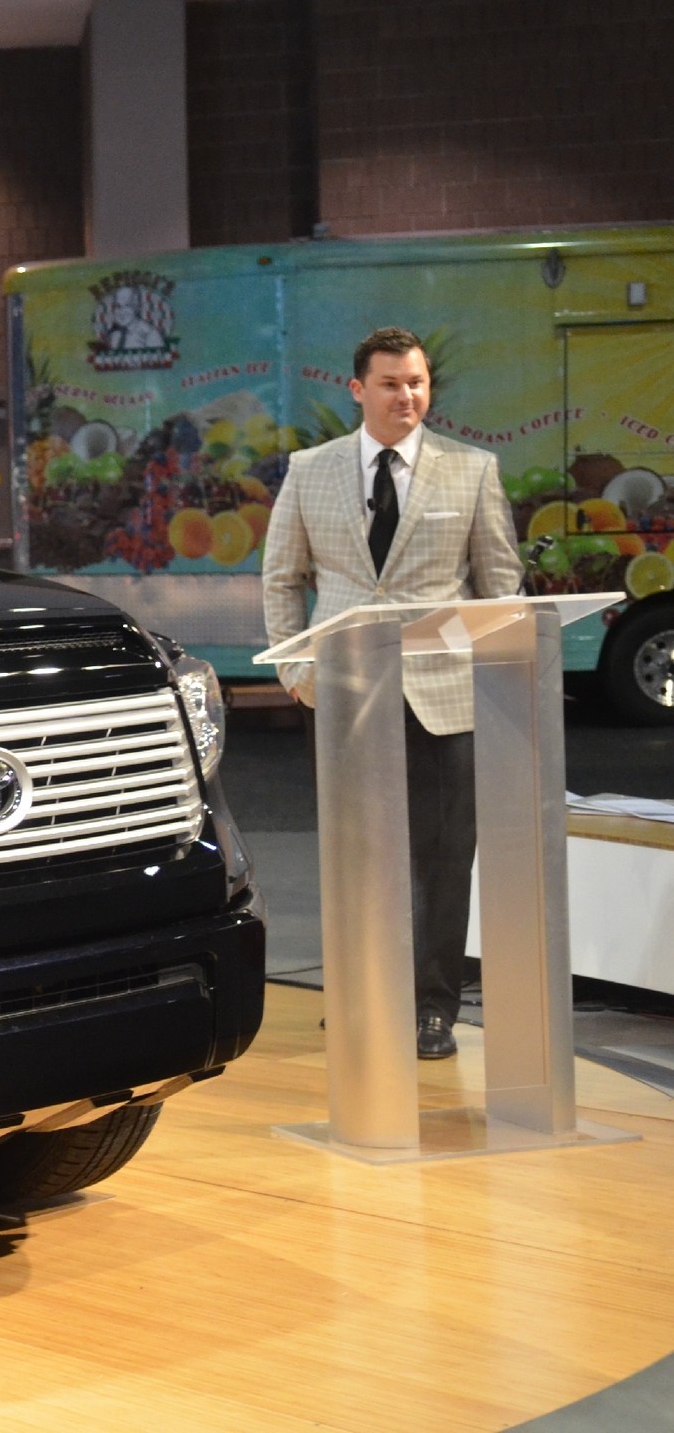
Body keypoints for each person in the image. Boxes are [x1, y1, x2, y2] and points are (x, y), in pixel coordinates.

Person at [260, 327, 521, 1060]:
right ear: (358, 389)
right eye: (391, 383)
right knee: (357, 854)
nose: (407, 396)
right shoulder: (310, 471)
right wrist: (294, 671)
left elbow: (500, 590)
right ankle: (363, 994)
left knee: (444, 859)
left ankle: (434, 1009)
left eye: (417, 383)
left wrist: (503, 681)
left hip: (447, 694)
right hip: (346, 691)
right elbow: (282, 578)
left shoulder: (471, 471)